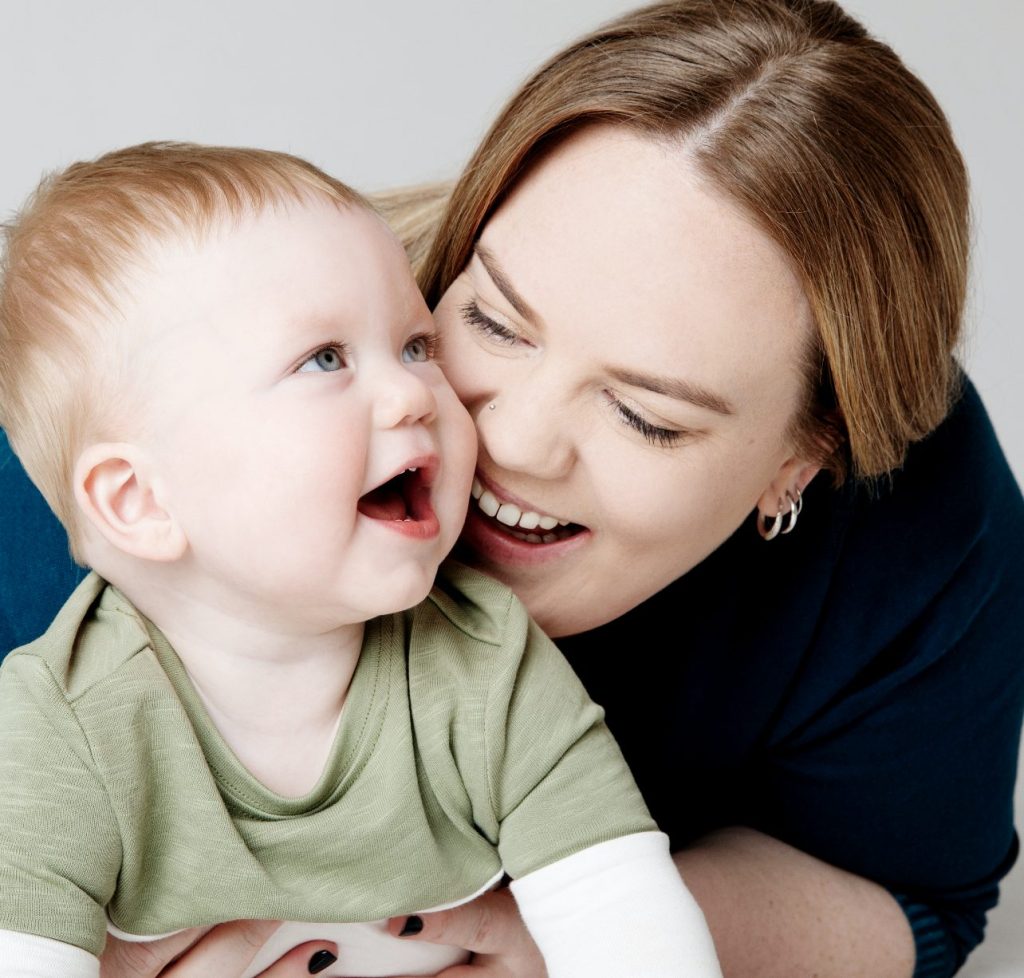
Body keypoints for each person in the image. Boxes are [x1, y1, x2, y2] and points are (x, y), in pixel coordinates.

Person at [1, 1, 1022, 977]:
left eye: (647, 416)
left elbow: (917, 893)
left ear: (802, 459)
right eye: (489, 320)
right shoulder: (142, 456)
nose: (507, 440)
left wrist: (558, 936)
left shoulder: (913, 517)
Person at [0, 142, 724, 978]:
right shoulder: (63, 727)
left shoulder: (484, 662)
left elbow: (622, 917)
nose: (417, 392)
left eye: (417, 344)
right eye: (324, 360)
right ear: (143, 502)